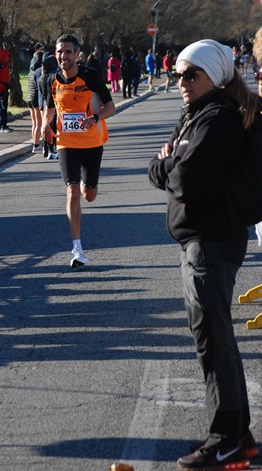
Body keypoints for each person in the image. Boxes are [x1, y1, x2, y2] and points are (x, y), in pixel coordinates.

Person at [148, 39, 259, 470]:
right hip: (203, 242)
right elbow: (164, 169)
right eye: (177, 74)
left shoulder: (217, 118)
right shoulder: (198, 114)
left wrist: (169, 162)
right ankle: (240, 436)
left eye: (190, 74)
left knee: (212, 341)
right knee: (216, 339)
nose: (181, 82)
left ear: (214, 75)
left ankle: (225, 438)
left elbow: (185, 176)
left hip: (210, 244)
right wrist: (169, 163)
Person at [41, 34, 115, 268]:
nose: (63, 56)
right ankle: (77, 249)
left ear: (77, 55)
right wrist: (45, 124)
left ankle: (87, 185)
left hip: (92, 142)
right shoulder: (50, 80)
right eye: (60, 51)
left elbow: (110, 107)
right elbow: (50, 109)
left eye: (68, 52)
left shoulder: (90, 76)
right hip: (66, 143)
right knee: (72, 192)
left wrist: (94, 118)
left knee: (88, 195)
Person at [38, 54, 59, 159]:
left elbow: (41, 91)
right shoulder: (54, 76)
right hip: (52, 104)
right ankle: (52, 147)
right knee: (53, 126)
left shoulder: (41, 77)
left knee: (45, 125)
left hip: (44, 103)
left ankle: (45, 147)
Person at [27, 42, 44, 152]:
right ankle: (37, 144)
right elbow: (40, 87)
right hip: (36, 97)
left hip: (29, 97)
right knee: (39, 122)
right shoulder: (38, 72)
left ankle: (35, 143)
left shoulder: (31, 70)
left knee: (34, 123)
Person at [0, 46, 12, 133]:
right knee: (2, 108)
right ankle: (2, 126)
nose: (8, 58)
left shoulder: (4, 65)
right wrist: (0, 89)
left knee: (2, 108)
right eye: (7, 56)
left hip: (3, 89)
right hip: (1, 90)